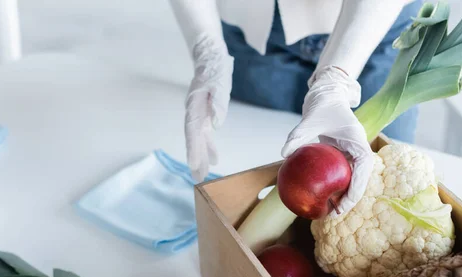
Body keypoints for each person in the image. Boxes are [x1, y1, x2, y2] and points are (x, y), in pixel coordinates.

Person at [169, 0, 422, 215]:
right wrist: (208, 50)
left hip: (376, 26)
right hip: (258, 32)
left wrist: (336, 77)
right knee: (251, 144)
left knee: (381, 166)